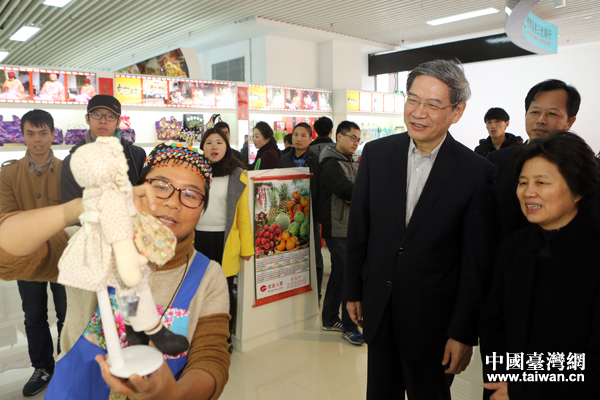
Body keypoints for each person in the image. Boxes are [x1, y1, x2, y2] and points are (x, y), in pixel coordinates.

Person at [0, 142, 231, 400]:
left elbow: (212, 360)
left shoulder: (209, 277)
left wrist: (172, 393)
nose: (172, 202)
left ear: (202, 209)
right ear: (138, 189)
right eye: (161, 185)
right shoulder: (91, 244)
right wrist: (79, 208)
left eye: (190, 194)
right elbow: (6, 255)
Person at [344, 59, 497, 399]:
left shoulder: (476, 173)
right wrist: (353, 289)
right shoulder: (376, 154)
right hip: (379, 310)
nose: (418, 113)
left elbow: (475, 263)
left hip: (435, 323)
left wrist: (462, 332)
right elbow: (360, 230)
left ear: (457, 111)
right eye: (413, 100)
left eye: (432, 104)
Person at [480, 131, 600, 399]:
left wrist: (524, 389)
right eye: (523, 182)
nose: (528, 192)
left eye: (542, 182)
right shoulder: (516, 244)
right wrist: (504, 380)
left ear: (578, 189)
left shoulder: (593, 253)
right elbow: (492, 318)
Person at [0, 109, 67, 396]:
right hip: (26, 259)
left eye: (43, 133)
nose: (37, 139)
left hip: (65, 256)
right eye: (30, 133)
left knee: (68, 311)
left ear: (53, 134)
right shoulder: (8, 173)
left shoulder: (69, 171)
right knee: (34, 313)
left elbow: (76, 215)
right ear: (22, 136)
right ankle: (42, 366)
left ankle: (67, 362)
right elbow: (6, 216)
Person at [488, 80, 580, 239]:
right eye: (535, 112)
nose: (541, 120)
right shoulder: (497, 161)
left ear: (569, 122)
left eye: (552, 113)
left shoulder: (584, 167)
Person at [197, 128, 254, 353]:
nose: (213, 147)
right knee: (198, 289)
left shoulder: (237, 174)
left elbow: (243, 215)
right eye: (208, 142)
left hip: (225, 240)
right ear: (202, 147)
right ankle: (200, 334)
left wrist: (247, 248)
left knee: (225, 290)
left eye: (219, 142)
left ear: (226, 146)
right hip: (196, 238)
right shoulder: (195, 171)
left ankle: (224, 336)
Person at [318, 121, 363, 345]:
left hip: (350, 225)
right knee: (348, 274)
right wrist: (358, 194)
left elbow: (355, 190)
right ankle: (349, 326)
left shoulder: (351, 162)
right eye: (352, 137)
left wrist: (356, 195)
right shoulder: (330, 162)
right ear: (338, 136)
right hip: (337, 226)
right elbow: (345, 188)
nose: (356, 142)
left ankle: (329, 319)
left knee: (339, 273)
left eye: (358, 139)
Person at [61, 94, 146, 203]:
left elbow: (143, 197)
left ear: (118, 122)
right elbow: (71, 206)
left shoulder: (136, 155)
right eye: (97, 114)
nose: (103, 120)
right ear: (87, 118)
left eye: (110, 116)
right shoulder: (72, 160)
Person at [279, 123, 324, 301]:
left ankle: (316, 293)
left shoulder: (316, 159)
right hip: (291, 213)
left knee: (314, 256)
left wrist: (318, 214)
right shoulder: (283, 159)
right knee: (291, 252)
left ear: (311, 139)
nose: (298, 138)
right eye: (296, 134)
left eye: (303, 135)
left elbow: (321, 188)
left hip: (310, 214)